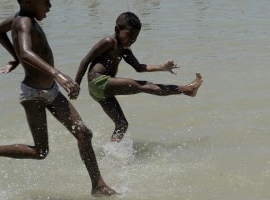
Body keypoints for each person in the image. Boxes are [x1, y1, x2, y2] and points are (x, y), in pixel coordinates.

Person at [0, 0, 116, 196]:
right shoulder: (23, 22)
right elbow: (26, 51)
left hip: (50, 92)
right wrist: (57, 73)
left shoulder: (20, 18)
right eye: (46, 0)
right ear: (28, 1)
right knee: (40, 151)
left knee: (83, 133)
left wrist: (16, 57)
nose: (50, 5)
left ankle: (98, 185)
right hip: (33, 94)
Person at [74, 12, 203, 143]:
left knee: (122, 124)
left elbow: (139, 67)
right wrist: (76, 85)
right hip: (99, 82)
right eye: (129, 35)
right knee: (145, 86)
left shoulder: (125, 49)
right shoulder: (109, 42)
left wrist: (163, 67)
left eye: (135, 37)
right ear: (117, 29)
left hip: (100, 91)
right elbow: (85, 61)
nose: (132, 40)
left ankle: (112, 154)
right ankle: (187, 90)